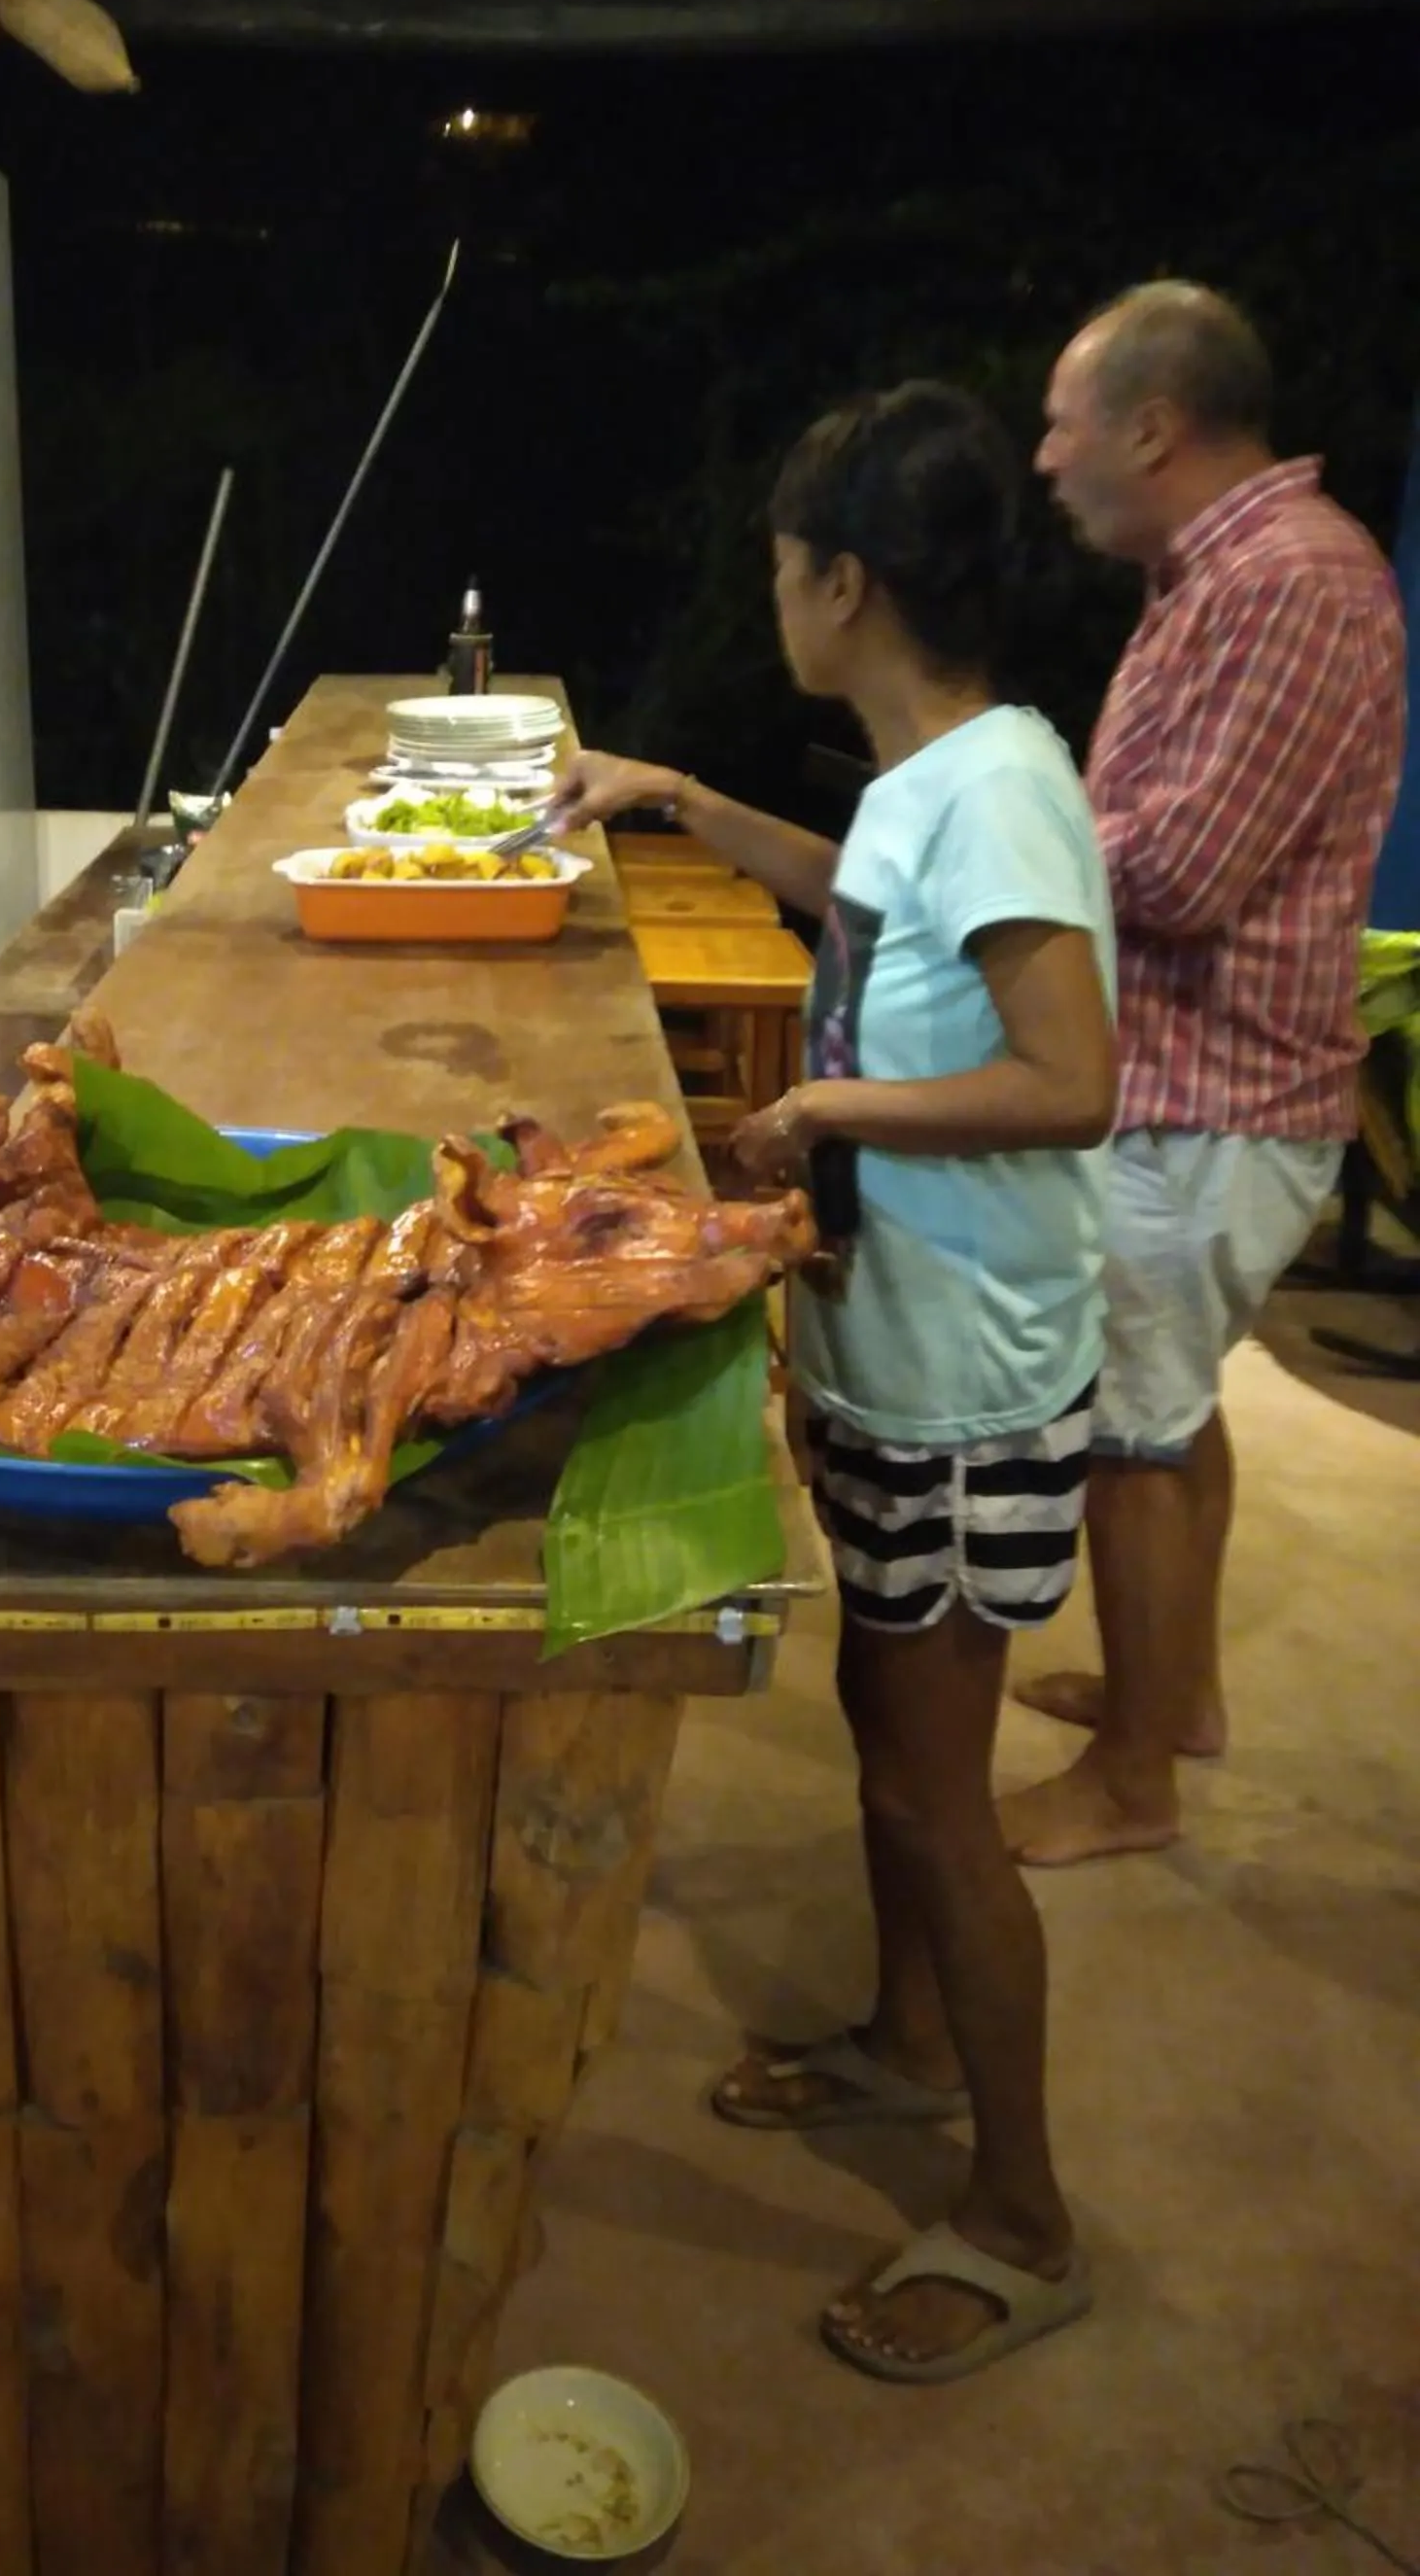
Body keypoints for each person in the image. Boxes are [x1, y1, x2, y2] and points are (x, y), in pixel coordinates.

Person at [556, 380, 1116, 2385]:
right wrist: (685, 802)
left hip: (976, 1379)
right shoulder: (926, 771)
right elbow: (877, 915)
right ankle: (905, 2044)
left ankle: (1028, 2217)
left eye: (785, 565)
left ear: (845, 580)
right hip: (897, 1346)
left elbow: (1073, 1076)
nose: (772, 591)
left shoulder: (1006, 790)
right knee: (891, 1729)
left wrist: (820, 1110)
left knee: (936, 1791)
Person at [999, 283, 1407, 1867]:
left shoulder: (1288, 584)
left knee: (1128, 1438)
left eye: (1062, 419)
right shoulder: (1216, 575)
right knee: (1175, 1410)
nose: (1044, 457)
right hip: (1196, 1085)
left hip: (1205, 1095)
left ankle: (1132, 1783)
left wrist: (995, 831)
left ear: (1152, 426)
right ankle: (1178, 1698)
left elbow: (1177, 870)